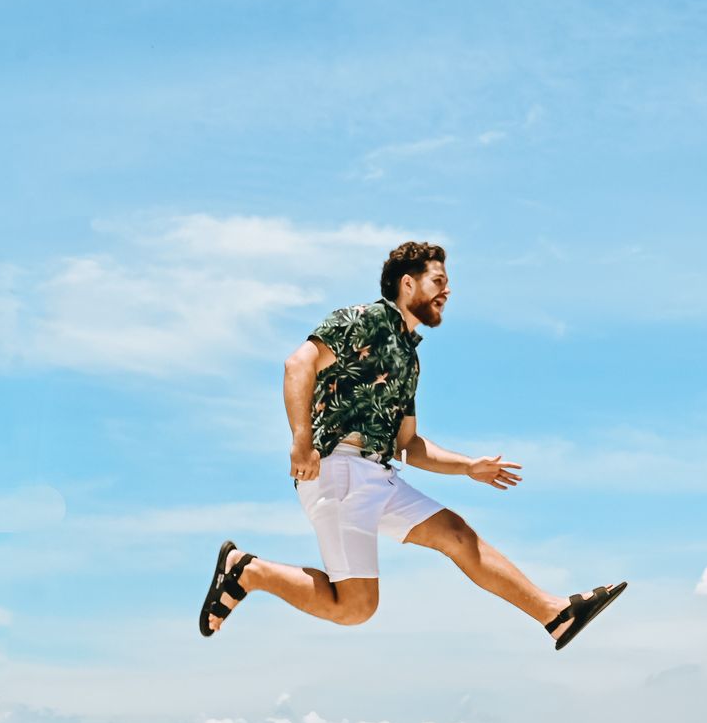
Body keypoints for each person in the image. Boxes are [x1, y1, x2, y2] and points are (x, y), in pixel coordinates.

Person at [196, 241, 625, 650]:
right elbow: (298, 364)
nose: (447, 290)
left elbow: (408, 445)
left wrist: (468, 467)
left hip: (379, 475)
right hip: (338, 471)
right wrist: (301, 440)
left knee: (455, 533)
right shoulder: (363, 319)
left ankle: (555, 614)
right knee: (357, 607)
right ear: (408, 283)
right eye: (438, 281)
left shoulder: (408, 356)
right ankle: (248, 571)